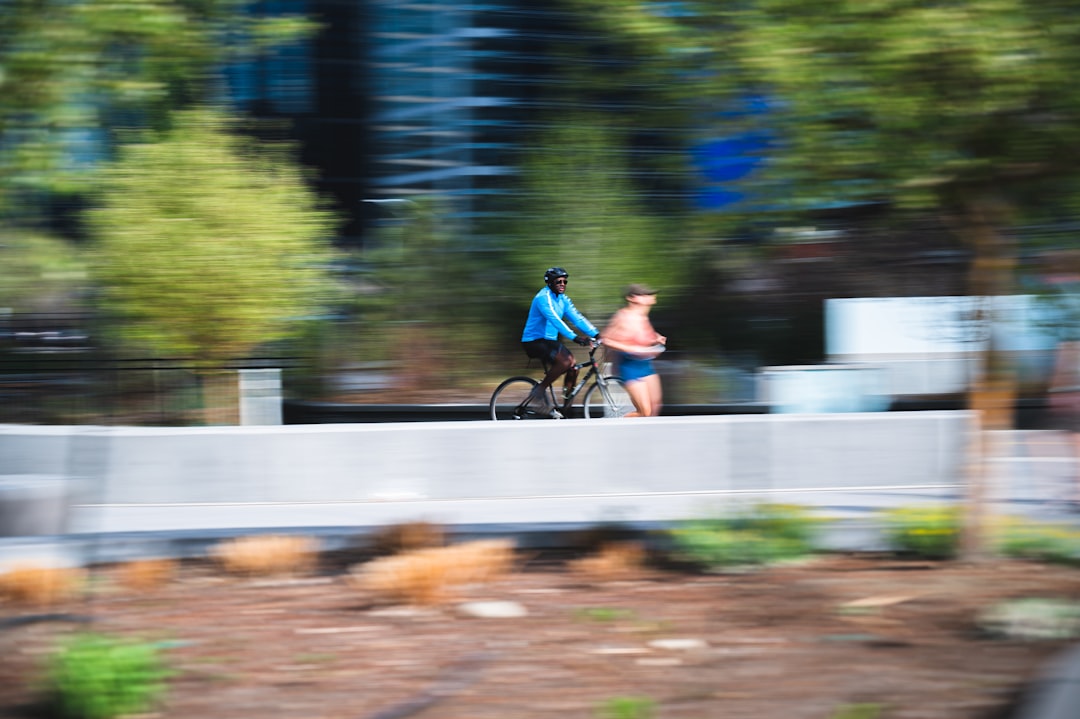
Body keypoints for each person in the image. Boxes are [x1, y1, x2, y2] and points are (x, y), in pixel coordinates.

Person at [520, 267, 599, 415]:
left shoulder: (563, 299)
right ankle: (539, 389)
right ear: (550, 283)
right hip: (533, 341)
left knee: (573, 369)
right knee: (566, 360)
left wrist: (597, 334)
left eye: (565, 281)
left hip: (549, 341)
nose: (562, 284)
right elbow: (556, 321)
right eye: (559, 281)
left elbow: (577, 318)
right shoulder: (543, 298)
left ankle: (565, 407)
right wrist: (575, 337)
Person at [600, 283, 666, 417]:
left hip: (645, 365)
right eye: (645, 294)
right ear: (632, 298)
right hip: (630, 367)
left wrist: (656, 338)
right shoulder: (622, 316)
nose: (650, 296)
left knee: (655, 406)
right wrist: (629, 348)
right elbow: (605, 339)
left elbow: (644, 337)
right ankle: (619, 424)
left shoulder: (642, 316)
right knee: (645, 412)